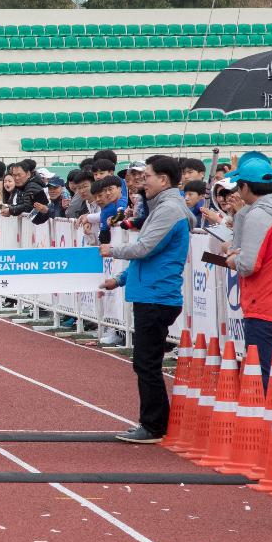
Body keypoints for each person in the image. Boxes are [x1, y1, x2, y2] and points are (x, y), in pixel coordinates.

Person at [99, 155, 190, 443]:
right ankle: (153, 422)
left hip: (157, 296)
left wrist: (111, 251)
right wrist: (119, 279)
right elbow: (147, 256)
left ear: (163, 180)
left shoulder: (169, 210)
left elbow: (145, 248)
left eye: (147, 176)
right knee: (144, 361)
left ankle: (153, 425)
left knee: (146, 363)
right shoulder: (162, 207)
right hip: (151, 292)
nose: (142, 181)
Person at [224, 154, 272, 376]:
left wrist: (233, 258)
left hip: (263, 304)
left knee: (264, 375)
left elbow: (248, 264)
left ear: (245, 187)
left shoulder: (258, 215)